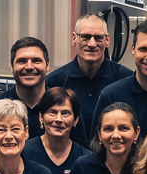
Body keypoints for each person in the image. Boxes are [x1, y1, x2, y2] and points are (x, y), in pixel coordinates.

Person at [45, 14, 129, 147]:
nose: (92, 44)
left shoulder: (126, 80)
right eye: (85, 37)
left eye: (98, 37)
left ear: (107, 40)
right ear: (74, 38)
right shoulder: (55, 82)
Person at [0, 37, 52, 137]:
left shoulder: (63, 108)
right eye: (22, 61)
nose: (29, 67)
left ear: (47, 65)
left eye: (36, 61)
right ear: (12, 66)